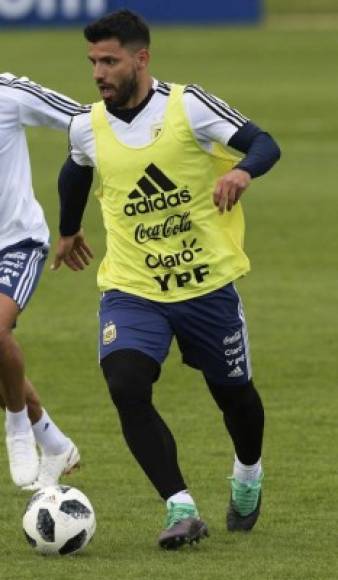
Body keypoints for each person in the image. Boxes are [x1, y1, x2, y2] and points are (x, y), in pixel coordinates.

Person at [53, 10, 281, 549]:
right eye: (93, 62)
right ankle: (180, 506)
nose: (99, 73)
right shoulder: (88, 124)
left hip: (206, 289)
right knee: (126, 384)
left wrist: (241, 170)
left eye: (109, 61)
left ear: (141, 58)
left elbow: (265, 142)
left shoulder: (188, 106)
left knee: (236, 399)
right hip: (133, 290)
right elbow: (75, 168)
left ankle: (248, 473)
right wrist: (67, 230)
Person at [0, 73, 89, 490]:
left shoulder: (10, 93)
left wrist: (72, 220)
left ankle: (17, 426)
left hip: (17, 242)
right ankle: (53, 442)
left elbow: (84, 120)